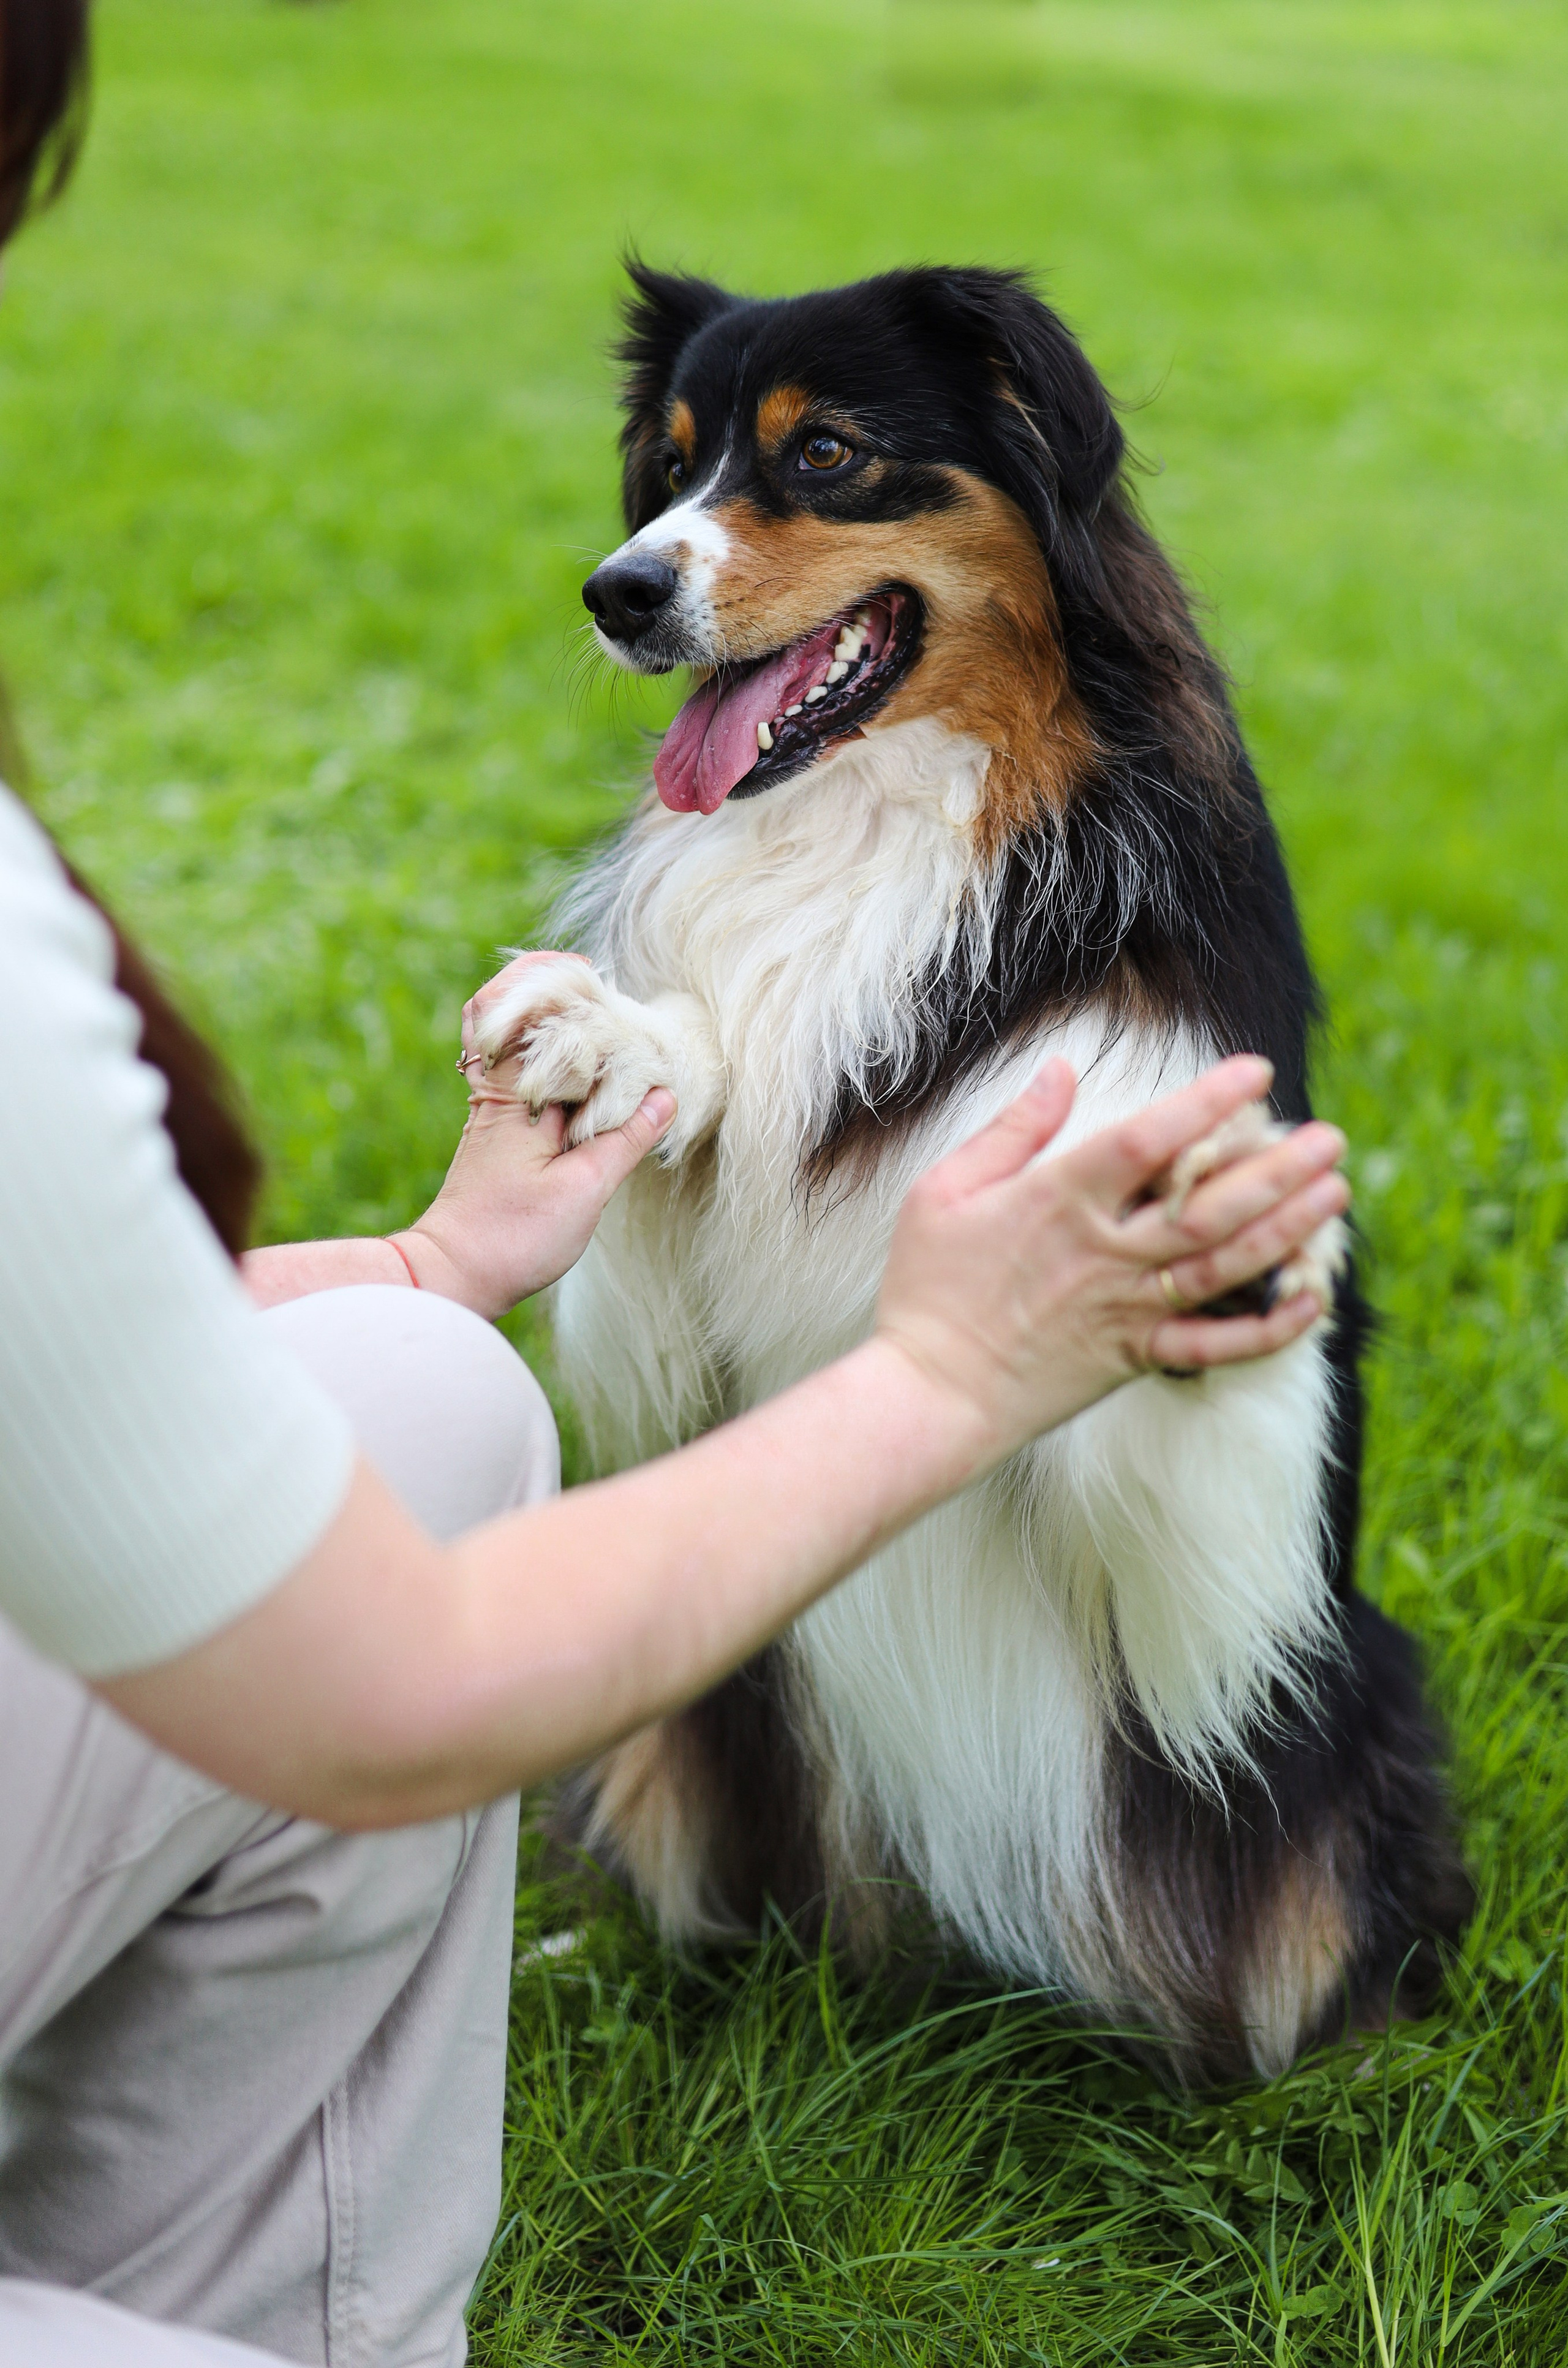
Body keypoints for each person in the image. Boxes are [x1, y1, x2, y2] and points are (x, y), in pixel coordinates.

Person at [0, 7, 1354, 2363]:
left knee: (436, 1386)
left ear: (1038, 511)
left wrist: (434, 1261)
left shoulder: (1140, 927)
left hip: (1141, 1768)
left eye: (815, 480)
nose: (677, 549)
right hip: (575, 1699)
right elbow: (402, 1669)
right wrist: (952, 1360)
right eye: (695, 471)